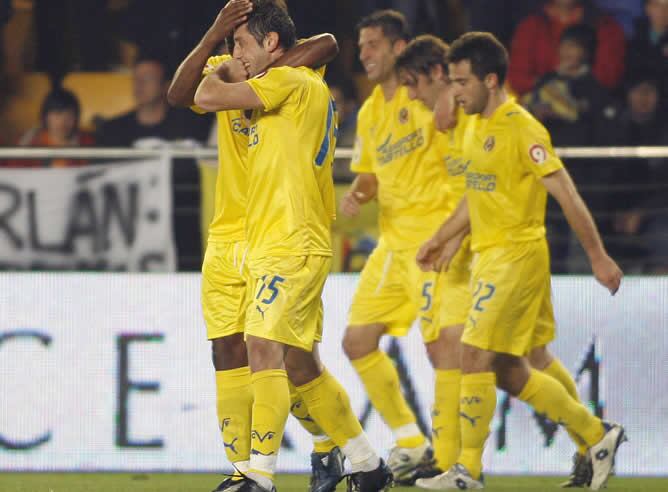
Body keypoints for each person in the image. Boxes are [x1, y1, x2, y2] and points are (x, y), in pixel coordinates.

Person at [395, 33, 618, 489]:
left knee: (474, 355)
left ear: (491, 80)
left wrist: (598, 257)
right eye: (452, 81)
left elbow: (567, 194)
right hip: (491, 257)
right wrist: (442, 239)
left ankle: (467, 472)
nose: (455, 91)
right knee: (515, 366)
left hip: (517, 256)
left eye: (462, 81)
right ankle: (596, 437)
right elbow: (476, 197)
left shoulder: (522, 127)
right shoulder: (476, 125)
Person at [194, 2, 392, 491]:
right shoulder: (296, 82)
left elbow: (204, 92)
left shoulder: (289, 81)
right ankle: (366, 464)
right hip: (274, 237)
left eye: (241, 44)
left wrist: (222, 70)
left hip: (292, 239)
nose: (234, 53)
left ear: (272, 45)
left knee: (263, 346)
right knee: (301, 364)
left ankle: (257, 472)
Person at [168, 1, 347, 491]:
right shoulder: (228, 63)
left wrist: (261, 74)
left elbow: (328, 41)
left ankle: (329, 450)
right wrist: (213, 40)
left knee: (287, 357)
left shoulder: (288, 71)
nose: (234, 50)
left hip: (280, 230)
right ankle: (247, 470)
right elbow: (179, 93)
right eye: (231, 41)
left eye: (240, 40)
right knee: (228, 350)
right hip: (230, 231)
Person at [339, 10, 454, 485]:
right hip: (392, 242)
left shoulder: (428, 101)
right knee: (357, 341)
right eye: (361, 45)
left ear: (399, 48)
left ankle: (450, 460)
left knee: (440, 351)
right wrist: (359, 193)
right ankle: (412, 443)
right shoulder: (369, 111)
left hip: (433, 238)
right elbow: (370, 175)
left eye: (372, 45)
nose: (363, 53)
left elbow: (461, 157)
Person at [508, 0, 626, 96]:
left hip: (590, 112)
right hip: (539, 113)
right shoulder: (530, 26)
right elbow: (517, 79)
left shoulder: (606, 27)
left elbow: (608, 79)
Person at [3, 88, 94, 168]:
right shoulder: (27, 142)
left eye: (70, 115)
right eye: (57, 114)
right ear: (46, 116)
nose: (63, 121)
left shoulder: (88, 143)